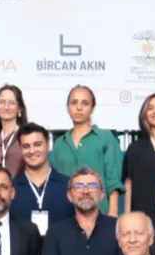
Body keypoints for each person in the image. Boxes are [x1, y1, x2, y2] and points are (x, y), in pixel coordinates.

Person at [49, 86, 122, 216]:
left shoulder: (106, 138)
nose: (79, 108)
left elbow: (113, 180)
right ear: (68, 107)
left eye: (85, 103)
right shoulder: (60, 143)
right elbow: (54, 181)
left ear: (92, 108)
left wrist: (112, 213)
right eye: (74, 102)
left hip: (100, 212)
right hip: (65, 213)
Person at [9, 124, 72, 235]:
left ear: (48, 145)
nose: (32, 150)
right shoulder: (10, 188)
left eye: (37, 144)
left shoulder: (68, 185)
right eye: (26, 146)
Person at [0, 84, 27, 175]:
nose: (6, 107)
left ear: (19, 108)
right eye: (2, 102)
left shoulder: (26, 138)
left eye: (11, 102)